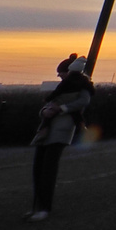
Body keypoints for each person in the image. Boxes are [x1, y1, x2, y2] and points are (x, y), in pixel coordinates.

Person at [26, 55, 94, 221]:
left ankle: (43, 209)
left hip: (61, 131)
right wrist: (45, 112)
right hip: (47, 130)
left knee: (48, 170)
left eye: (61, 72)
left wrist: (60, 109)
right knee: (38, 169)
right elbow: (47, 105)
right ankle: (37, 207)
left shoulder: (83, 87)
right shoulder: (63, 87)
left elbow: (83, 102)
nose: (60, 76)